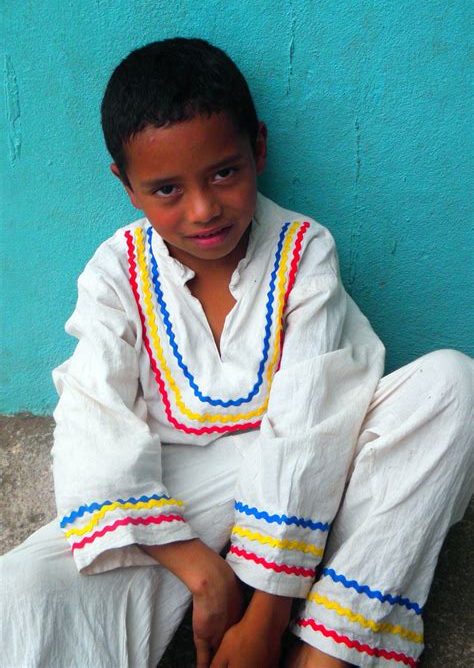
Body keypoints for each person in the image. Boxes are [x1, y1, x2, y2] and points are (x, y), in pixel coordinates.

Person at [1, 38, 472, 668]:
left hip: (312, 492)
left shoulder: (304, 251)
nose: (203, 209)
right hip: (171, 514)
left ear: (259, 148)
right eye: (166, 189)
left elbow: (309, 430)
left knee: (453, 383)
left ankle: (324, 655)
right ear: (127, 185)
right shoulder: (115, 274)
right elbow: (95, 428)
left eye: (224, 172)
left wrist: (261, 622)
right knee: (20, 594)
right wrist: (204, 573)